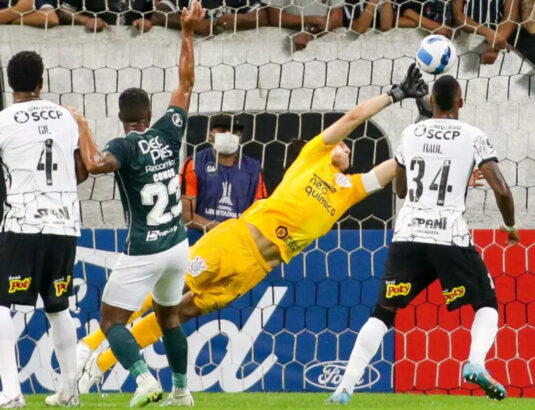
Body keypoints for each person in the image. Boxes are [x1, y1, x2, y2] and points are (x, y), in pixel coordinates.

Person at [75, 64, 430, 392]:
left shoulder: (349, 191)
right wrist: (394, 95)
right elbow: (353, 117)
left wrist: (421, 130)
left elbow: (392, 167)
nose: (345, 145)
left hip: (256, 270)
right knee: (165, 293)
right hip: (236, 239)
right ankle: (88, 348)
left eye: (349, 148)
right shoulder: (312, 157)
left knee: (180, 312)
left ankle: (103, 365)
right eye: (342, 142)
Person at [327, 75, 519, 404]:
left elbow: (400, 190)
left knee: (383, 313)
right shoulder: (474, 136)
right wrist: (510, 225)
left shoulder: (410, 133)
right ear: (460, 102)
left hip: (408, 237)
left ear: (431, 102)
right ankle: (475, 363)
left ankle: (344, 387)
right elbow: (501, 188)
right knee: (486, 303)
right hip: (449, 237)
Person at [72, 3, 204, 407]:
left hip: (144, 249)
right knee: (169, 319)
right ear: (150, 114)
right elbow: (185, 82)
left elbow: (94, 164)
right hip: (178, 244)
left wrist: (80, 123)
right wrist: (186, 32)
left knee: (111, 320)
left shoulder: (124, 147)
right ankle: (182, 392)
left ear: (121, 118)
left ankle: (145, 379)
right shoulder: (169, 130)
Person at [0, 51, 89, 408]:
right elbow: (81, 171)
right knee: (58, 305)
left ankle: (11, 392)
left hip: (22, 222)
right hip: (66, 223)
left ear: (10, 84)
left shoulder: (3, 121)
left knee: (2, 305)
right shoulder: (68, 118)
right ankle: (70, 392)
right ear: (41, 82)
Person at [181, 114, 267, 244]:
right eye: (223, 130)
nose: (228, 135)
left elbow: (259, 213)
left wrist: (237, 232)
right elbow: (187, 216)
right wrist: (219, 228)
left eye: (234, 132)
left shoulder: (253, 168)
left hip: (239, 241)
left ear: (240, 138)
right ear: (210, 135)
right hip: (201, 240)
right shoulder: (194, 164)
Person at [452, 0, 518, 64]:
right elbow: (458, 16)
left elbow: (510, 20)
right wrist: (488, 33)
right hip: (465, 41)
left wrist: (495, 44)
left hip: (500, 41)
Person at [265, 0, 344, 50]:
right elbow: (274, 18)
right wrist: (313, 20)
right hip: (282, 44)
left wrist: (309, 33)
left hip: (320, 42)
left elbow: (337, 18)